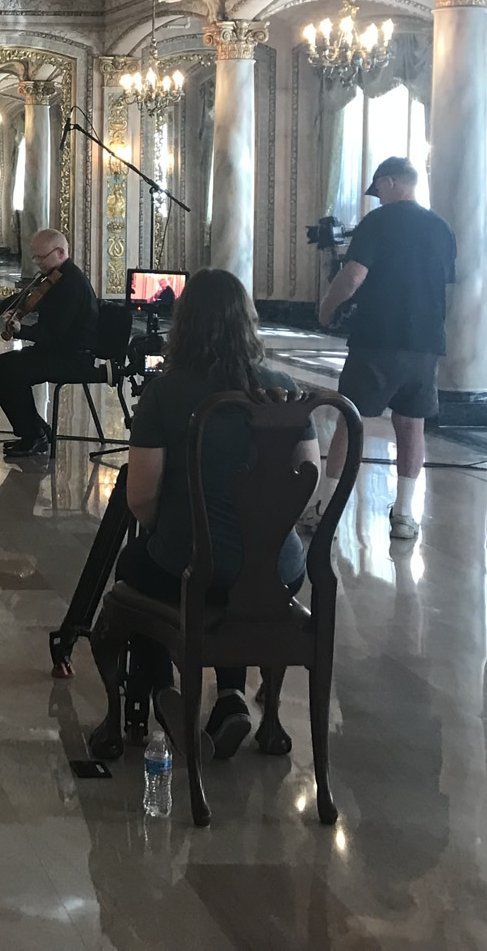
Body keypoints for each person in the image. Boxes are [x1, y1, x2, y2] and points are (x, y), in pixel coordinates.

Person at [115, 268, 316, 758]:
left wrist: (172, 531)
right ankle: (231, 699)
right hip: (280, 569)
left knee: (137, 564)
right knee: (239, 571)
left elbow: (140, 498)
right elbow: (307, 487)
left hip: (193, 569)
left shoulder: (165, 392)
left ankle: (164, 690)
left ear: (185, 323)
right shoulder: (282, 388)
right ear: (248, 322)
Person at [312, 155, 456, 542]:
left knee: (350, 420)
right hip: (425, 343)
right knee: (412, 425)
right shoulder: (441, 227)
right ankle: (404, 515)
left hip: (377, 339)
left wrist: (327, 307)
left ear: (390, 182)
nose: (377, 197)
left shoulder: (377, 222)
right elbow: (445, 285)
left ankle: (326, 507)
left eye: (378, 189)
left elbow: (353, 276)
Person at [0, 228, 99, 459]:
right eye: (35, 257)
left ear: (60, 252)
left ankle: (34, 435)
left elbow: (55, 335)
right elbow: (25, 296)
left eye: (41, 257)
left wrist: (22, 331)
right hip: (53, 351)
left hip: (72, 357)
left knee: (11, 373)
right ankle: (37, 430)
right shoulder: (53, 277)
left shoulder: (72, 284)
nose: (37, 262)